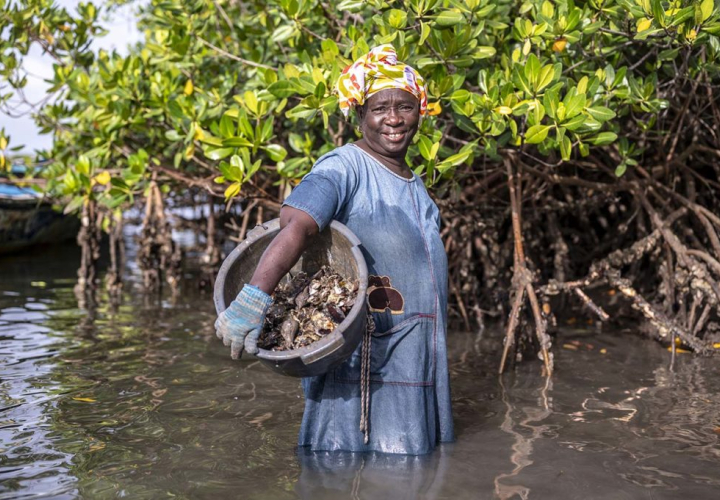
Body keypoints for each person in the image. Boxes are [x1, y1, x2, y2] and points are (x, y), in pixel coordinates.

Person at [215, 45, 454, 455]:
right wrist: (254, 297)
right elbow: (297, 222)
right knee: (344, 464)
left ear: (421, 112)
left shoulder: (416, 184)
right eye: (380, 109)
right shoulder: (344, 167)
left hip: (419, 356)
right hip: (364, 360)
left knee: (418, 467)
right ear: (360, 116)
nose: (394, 119)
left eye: (405, 107)